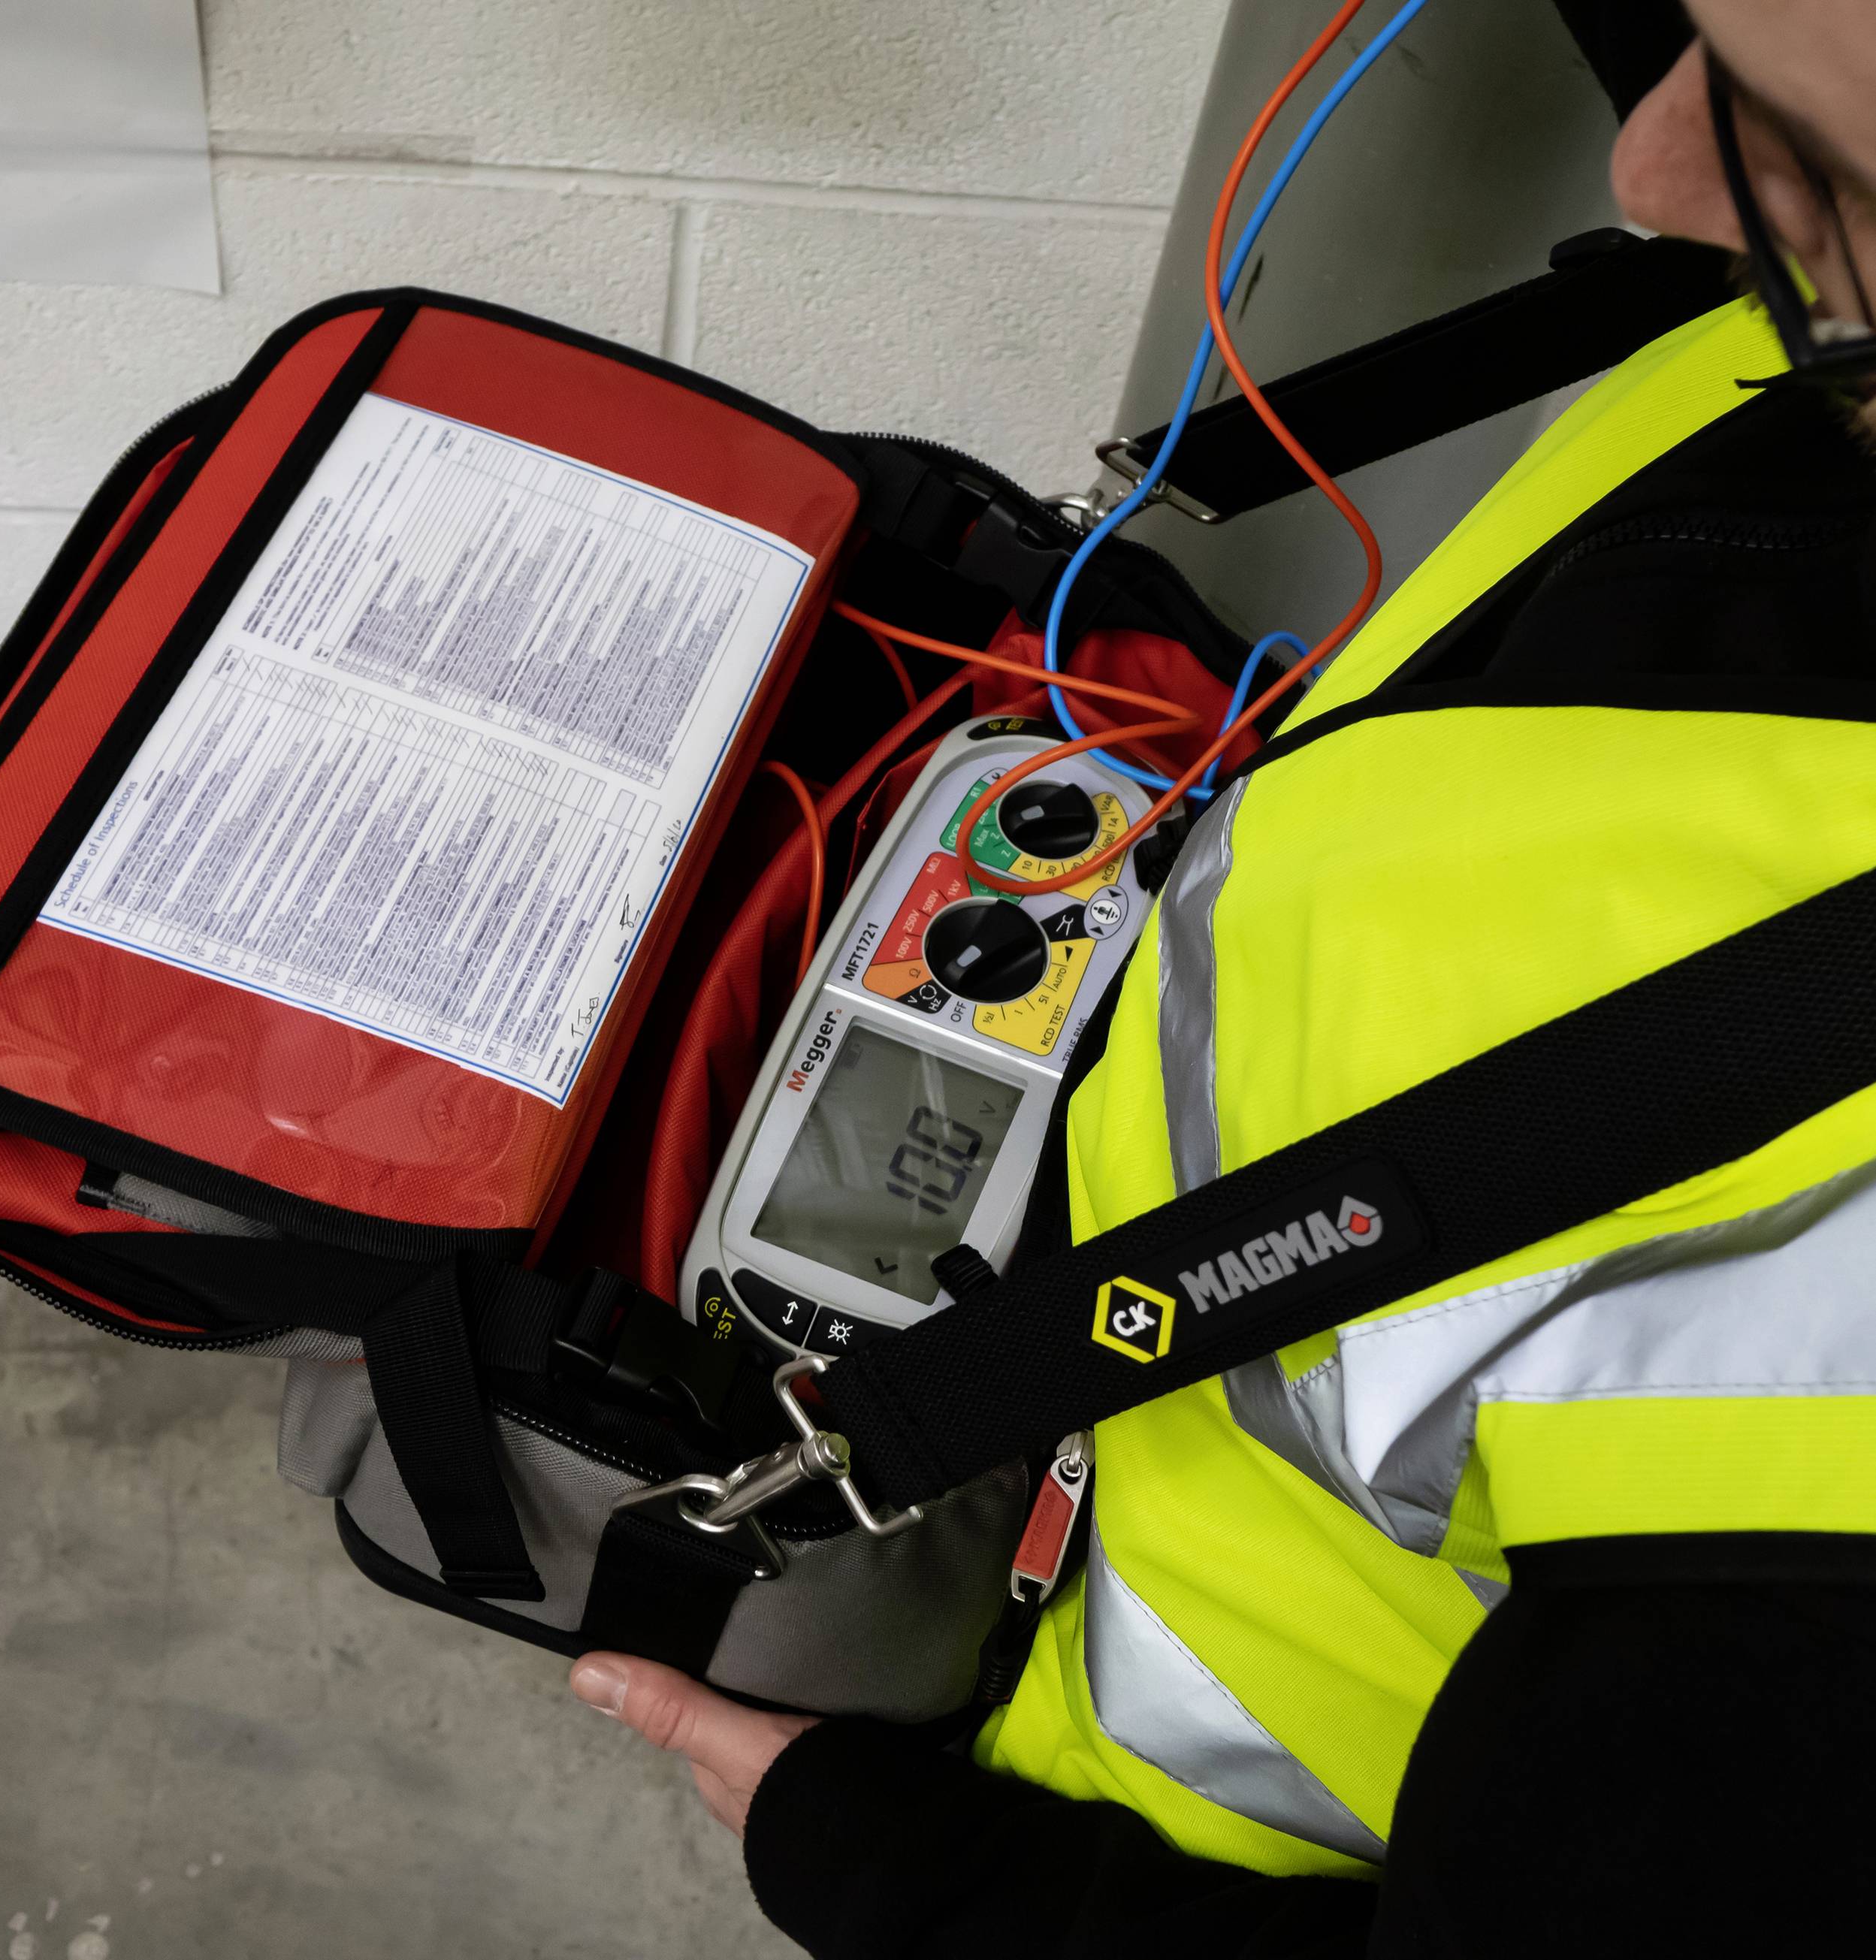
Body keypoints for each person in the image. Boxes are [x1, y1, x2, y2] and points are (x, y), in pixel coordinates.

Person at [571, 1, 1876, 1951]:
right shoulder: (1803, 340)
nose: (1652, 175)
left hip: (1136, 1806)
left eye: (1817, 161)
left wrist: (884, 1862)